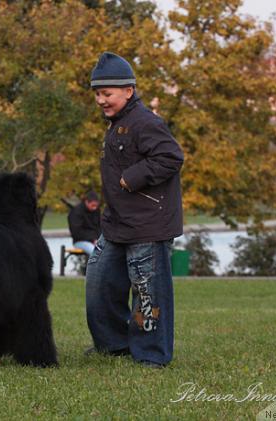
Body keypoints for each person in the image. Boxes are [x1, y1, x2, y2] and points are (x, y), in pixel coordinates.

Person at [85, 52, 184, 368]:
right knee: (99, 282)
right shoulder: (116, 124)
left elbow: (171, 157)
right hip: (117, 224)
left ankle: (152, 355)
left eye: (108, 93)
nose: (102, 100)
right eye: (98, 94)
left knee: (147, 292)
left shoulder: (145, 122)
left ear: (128, 90)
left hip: (148, 226)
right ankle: (114, 344)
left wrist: (132, 177)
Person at [67, 191, 101, 256]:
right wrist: (93, 239)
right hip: (80, 242)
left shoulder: (97, 211)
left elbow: (100, 227)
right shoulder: (76, 212)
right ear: (86, 202)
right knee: (95, 253)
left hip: (96, 240)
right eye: (93, 205)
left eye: (96, 206)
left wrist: (98, 239)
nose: (95, 208)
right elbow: (76, 232)